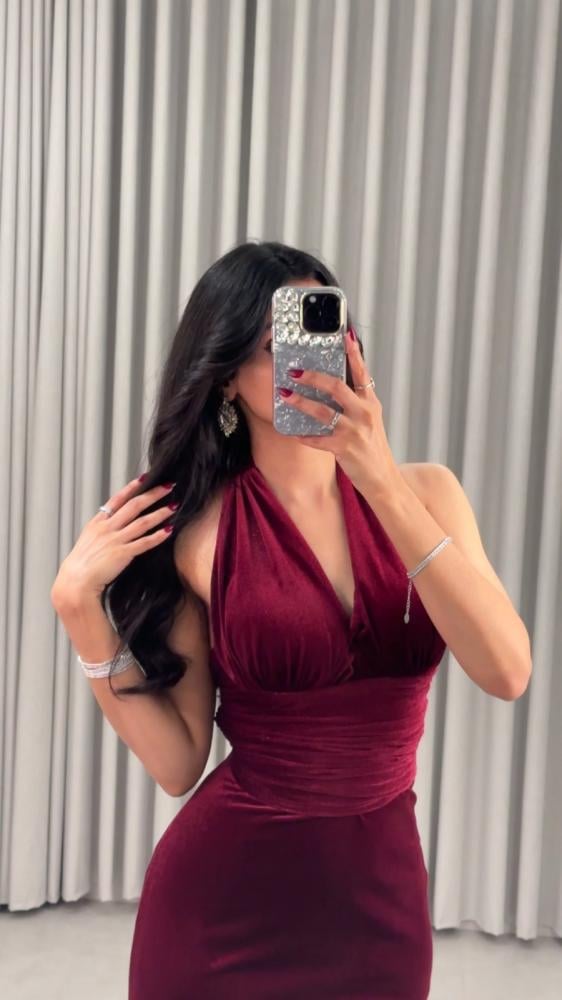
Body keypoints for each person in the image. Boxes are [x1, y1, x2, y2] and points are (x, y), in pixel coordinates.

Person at [51, 241, 449, 998]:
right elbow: (179, 764)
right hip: (221, 915)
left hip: (382, 903)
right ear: (226, 374)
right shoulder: (197, 531)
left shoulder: (424, 496)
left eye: (324, 330)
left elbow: (509, 669)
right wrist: (79, 612)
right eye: (275, 345)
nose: (311, 362)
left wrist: (380, 476)